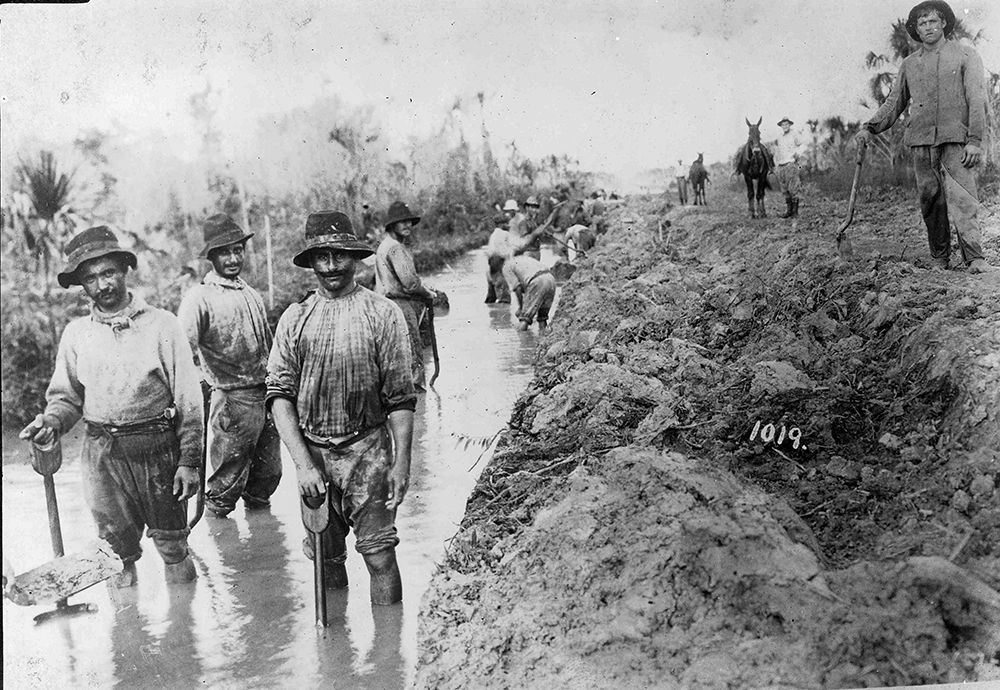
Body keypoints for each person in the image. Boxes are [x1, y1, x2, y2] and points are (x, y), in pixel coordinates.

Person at [19, 226, 203, 587]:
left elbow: (189, 401)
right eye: (91, 278)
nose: (102, 285)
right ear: (81, 285)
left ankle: (186, 633)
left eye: (108, 273)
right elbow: (66, 397)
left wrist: (190, 461)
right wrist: (51, 423)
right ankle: (128, 638)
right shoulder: (76, 334)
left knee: (172, 546)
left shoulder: (163, 326)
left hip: (158, 451)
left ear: (124, 270)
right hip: (102, 456)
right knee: (113, 554)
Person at [266, 210, 417, 605]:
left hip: (368, 451)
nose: (331, 265)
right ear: (311, 262)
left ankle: (388, 654)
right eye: (322, 256)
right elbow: (279, 397)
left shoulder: (383, 313)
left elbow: (400, 398)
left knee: (380, 554)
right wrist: (302, 464)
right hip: (313, 453)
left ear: (354, 256)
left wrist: (402, 462)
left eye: (339, 255)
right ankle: (337, 653)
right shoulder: (295, 318)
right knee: (325, 558)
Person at [855, 0, 994, 274]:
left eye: (932, 21)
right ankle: (939, 258)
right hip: (921, 143)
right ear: (916, 30)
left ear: (943, 23)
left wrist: (975, 141)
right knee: (930, 199)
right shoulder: (909, 64)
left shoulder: (965, 55)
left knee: (963, 197)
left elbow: (976, 99)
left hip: (956, 141)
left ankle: (975, 258)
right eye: (922, 23)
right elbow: (894, 103)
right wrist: (869, 127)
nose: (928, 27)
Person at [178, 214, 281, 519]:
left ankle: (265, 547)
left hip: (265, 394)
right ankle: (220, 544)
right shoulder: (200, 298)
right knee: (225, 483)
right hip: (232, 400)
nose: (234, 258)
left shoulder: (251, 294)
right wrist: (198, 386)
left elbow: (269, 345)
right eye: (225, 252)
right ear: (212, 257)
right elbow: (182, 350)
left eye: (238, 250)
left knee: (267, 477)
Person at [374, 201, 437, 391]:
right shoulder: (395, 248)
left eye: (409, 221)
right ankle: (416, 395)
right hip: (399, 304)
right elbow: (410, 283)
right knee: (411, 349)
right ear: (392, 225)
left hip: (385, 304)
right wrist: (428, 293)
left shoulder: (384, 245)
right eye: (402, 222)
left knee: (394, 351)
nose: (407, 225)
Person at [501, 250, 557, 332]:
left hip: (537, 281)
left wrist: (521, 308)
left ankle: (524, 343)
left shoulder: (506, 266)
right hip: (551, 279)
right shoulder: (524, 259)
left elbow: (517, 288)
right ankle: (543, 339)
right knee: (542, 319)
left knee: (525, 319)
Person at [773, 117, 804, 218]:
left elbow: (802, 145)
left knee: (793, 188)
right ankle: (788, 211)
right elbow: (776, 149)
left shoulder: (794, 134)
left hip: (791, 164)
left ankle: (795, 212)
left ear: (789, 125)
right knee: (784, 189)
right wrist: (776, 162)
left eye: (786, 124)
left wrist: (797, 154)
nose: (785, 126)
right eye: (783, 125)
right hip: (781, 165)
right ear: (781, 126)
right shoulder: (779, 137)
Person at [484, 224, 513, 304]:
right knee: (503, 292)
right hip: (499, 261)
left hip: (491, 262)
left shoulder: (494, 234)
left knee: (492, 292)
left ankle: (491, 309)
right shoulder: (505, 234)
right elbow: (508, 251)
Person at [509, 195, 542, 260]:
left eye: (536, 208)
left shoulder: (534, 222)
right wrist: (536, 233)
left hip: (537, 251)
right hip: (528, 252)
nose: (534, 210)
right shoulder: (523, 222)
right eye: (532, 207)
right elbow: (525, 240)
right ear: (527, 208)